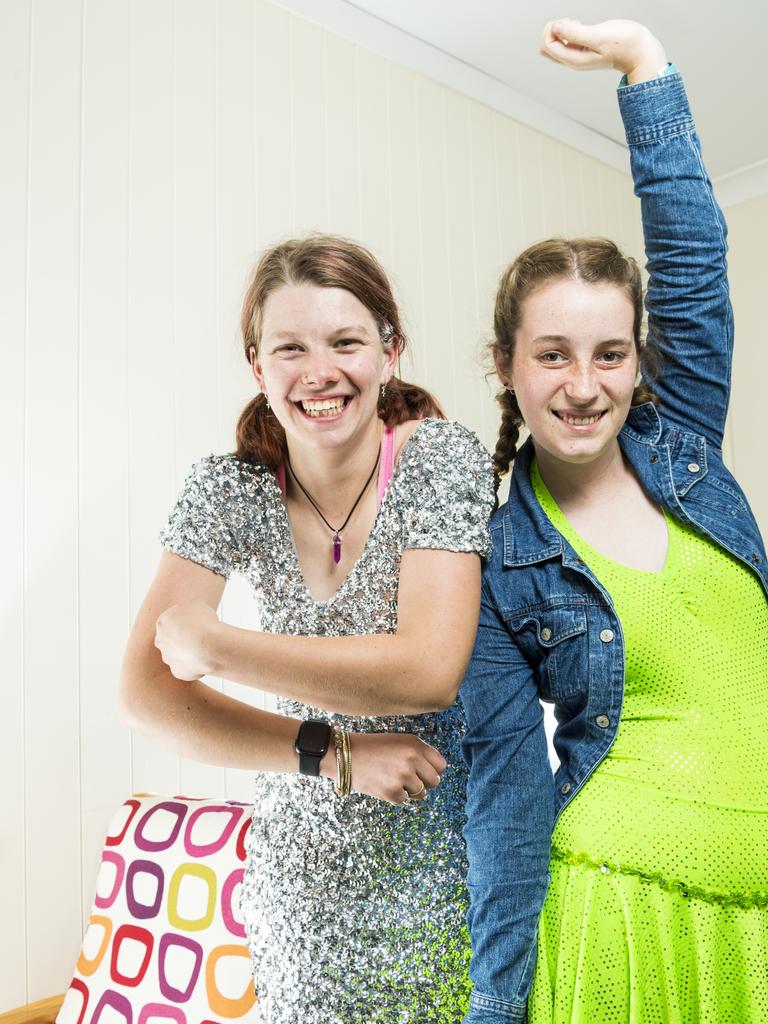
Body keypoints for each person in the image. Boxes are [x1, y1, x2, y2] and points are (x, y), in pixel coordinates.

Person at [460, 19, 768, 1024]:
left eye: (608, 353)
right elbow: (506, 799)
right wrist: (498, 1004)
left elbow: (692, 266)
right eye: (553, 354)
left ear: (639, 362)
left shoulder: (686, 449)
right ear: (506, 364)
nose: (583, 385)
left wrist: (644, 65)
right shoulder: (501, 563)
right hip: (619, 917)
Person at [119, 234, 494, 1024]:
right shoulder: (227, 489)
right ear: (259, 369)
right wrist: (333, 756)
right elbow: (145, 695)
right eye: (290, 347)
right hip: (299, 890)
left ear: (390, 354)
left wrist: (219, 647)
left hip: (447, 873)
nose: (318, 370)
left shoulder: (438, 459)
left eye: (346, 341)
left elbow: (429, 669)